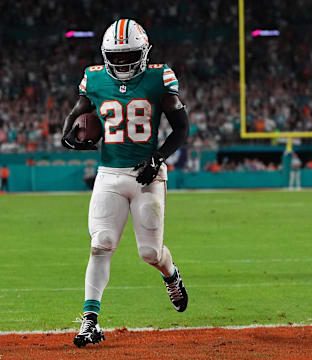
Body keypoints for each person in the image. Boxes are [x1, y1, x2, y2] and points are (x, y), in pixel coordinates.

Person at [62, 19, 189, 348]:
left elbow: (181, 129)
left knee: (149, 252)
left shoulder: (159, 78)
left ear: (144, 52)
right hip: (110, 174)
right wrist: (68, 131)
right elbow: (79, 109)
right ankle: (90, 320)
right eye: (115, 57)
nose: (121, 62)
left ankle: (170, 274)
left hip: (147, 175)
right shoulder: (93, 78)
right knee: (100, 243)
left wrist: (158, 158)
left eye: (128, 55)